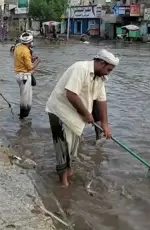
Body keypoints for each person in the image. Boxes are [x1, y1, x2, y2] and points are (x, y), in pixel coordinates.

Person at [46, 50, 118, 187]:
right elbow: (71, 94)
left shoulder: (100, 78)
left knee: (73, 149)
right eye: (108, 69)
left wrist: (105, 124)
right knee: (62, 148)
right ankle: (63, 184)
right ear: (102, 63)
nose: (109, 73)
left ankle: (69, 172)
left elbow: (102, 100)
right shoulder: (80, 68)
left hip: (77, 116)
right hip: (60, 111)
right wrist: (87, 114)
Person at [14, 32, 41, 119]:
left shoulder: (18, 47)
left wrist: (32, 58)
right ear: (30, 42)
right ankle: (22, 118)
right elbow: (30, 67)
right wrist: (38, 61)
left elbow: (23, 60)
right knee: (25, 99)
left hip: (19, 75)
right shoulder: (26, 51)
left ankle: (23, 117)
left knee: (25, 96)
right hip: (24, 76)